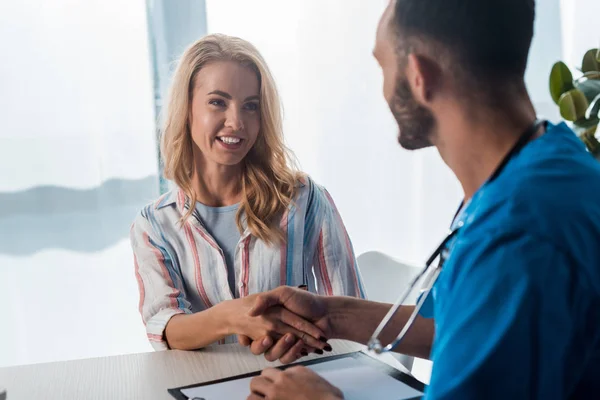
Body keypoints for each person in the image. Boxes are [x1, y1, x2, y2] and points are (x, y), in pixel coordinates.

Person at [243, 0, 600, 399]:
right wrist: (331, 315)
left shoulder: (516, 237)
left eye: (383, 66)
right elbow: (468, 325)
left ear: (419, 75)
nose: (381, 87)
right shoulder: (552, 162)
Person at [129, 34, 366, 354]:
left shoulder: (305, 200)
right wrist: (232, 317)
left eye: (251, 106)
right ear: (187, 109)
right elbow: (164, 328)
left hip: (296, 381)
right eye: (218, 102)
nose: (236, 122)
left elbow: (351, 314)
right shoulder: (154, 224)